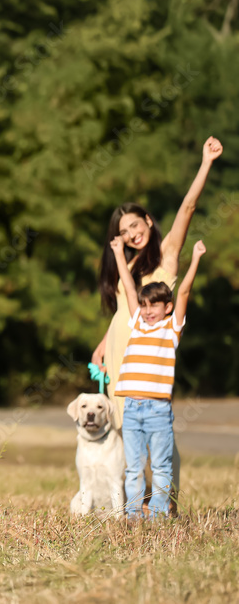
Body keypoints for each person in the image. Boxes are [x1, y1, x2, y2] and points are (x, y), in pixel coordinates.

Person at [91, 135, 222, 513]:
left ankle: (168, 503)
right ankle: (136, 503)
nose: (133, 234)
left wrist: (206, 162)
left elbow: (188, 207)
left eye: (136, 224)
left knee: (158, 433)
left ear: (148, 219)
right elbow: (122, 310)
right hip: (119, 353)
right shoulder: (127, 263)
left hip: (148, 354)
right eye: (124, 231)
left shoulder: (166, 256)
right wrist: (102, 345)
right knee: (123, 428)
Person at [109, 237, 205, 519]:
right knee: (133, 467)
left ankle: (159, 516)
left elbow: (185, 291)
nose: (149, 311)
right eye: (145, 305)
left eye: (155, 305)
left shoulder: (171, 328)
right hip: (131, 408)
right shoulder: (138, 322)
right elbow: (128, 287)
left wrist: (196, 257)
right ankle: (134, 516)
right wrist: (117, 253)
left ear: (167, 307)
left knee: (161, 466)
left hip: (157, 409)